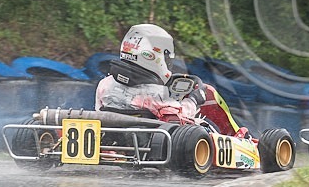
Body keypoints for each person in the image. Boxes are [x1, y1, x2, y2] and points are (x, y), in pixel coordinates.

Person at [95, 23, 242, 135]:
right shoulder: (153, 92)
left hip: (112, 137)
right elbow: (177, 118)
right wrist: (194, 99)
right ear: (153, 56)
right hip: (149, 140)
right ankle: (239, 139)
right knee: (201, 124)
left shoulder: (105, 83)